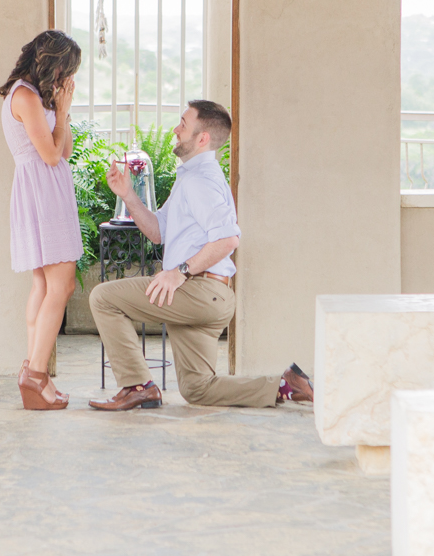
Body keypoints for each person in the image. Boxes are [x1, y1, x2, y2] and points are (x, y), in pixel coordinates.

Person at [88, 100, 314, 411]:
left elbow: (228, 238)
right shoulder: (190, 178)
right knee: (198, 389)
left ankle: (136, 386)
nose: (175, 130)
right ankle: (285, 385)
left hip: (200, 289)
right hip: (208, 294)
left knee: (103, 298)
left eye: (183, 124)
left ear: (202, 137)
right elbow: (157, 231)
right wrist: (128, 195)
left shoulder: (201, 180)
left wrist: (178, 271)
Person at [0, 30, 84, 411]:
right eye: (67, 69)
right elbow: (50, 156)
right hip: (40, 190)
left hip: (49, 189)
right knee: (60, 285)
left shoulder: (39, 96)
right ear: (52, 61)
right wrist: (61, 113)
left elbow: (63, 150)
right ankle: (35, 374)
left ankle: (34, 374)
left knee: (44, 285)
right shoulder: (24, 95)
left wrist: (62, 111)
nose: (68, 78)